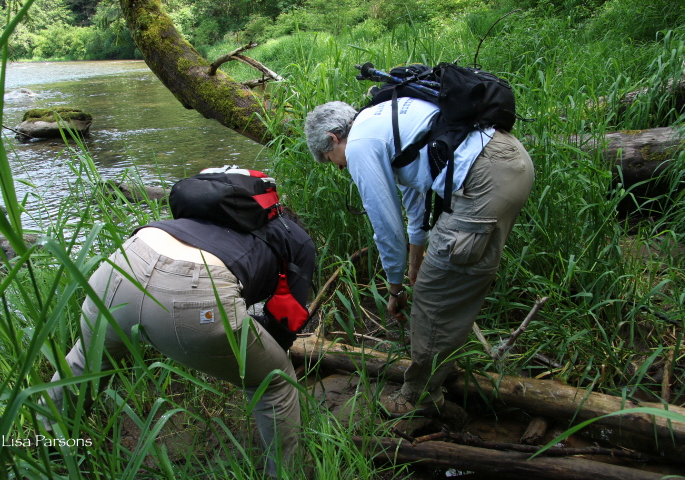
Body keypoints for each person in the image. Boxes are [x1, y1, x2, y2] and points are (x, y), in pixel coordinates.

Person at [39, 207, 316, 476]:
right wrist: (266, 348)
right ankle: (285, 472)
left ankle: (46, 450)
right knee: (275, 380)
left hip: (125, 261)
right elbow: (286, 319)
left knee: (87, 361)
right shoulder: (298, 242)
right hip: (192, 289)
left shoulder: (216, 213)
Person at [304, 99, 533, 417]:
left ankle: (419, 397)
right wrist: (415, 264)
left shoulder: (358, 145)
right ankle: (444, 366)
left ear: (333, 138)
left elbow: (387, 227)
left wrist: (395, 289)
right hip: (511, 162)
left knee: (431, 298)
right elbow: (416, 194)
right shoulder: (383, 117)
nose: (340, 168)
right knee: (453, 279)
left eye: (332, 160)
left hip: (481, 182)